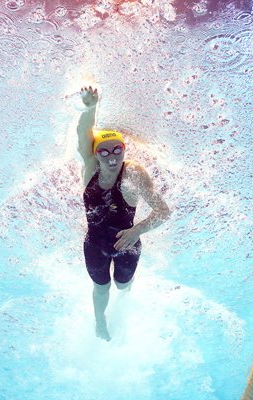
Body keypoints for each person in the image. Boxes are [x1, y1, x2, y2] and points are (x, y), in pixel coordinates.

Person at [76, 86, 171, 341]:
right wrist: (90, 107)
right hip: (95, 244)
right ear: (95, 154)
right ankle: (100, 322)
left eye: (116, 149)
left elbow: (164, 212)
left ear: (124, 149)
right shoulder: (89, 169)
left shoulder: (134, 174)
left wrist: (136, 230)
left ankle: (122, 315)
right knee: (101, 288)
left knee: (123, 286)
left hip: (128, 245)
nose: (111, 157)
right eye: (103, 151)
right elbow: (82, 136)